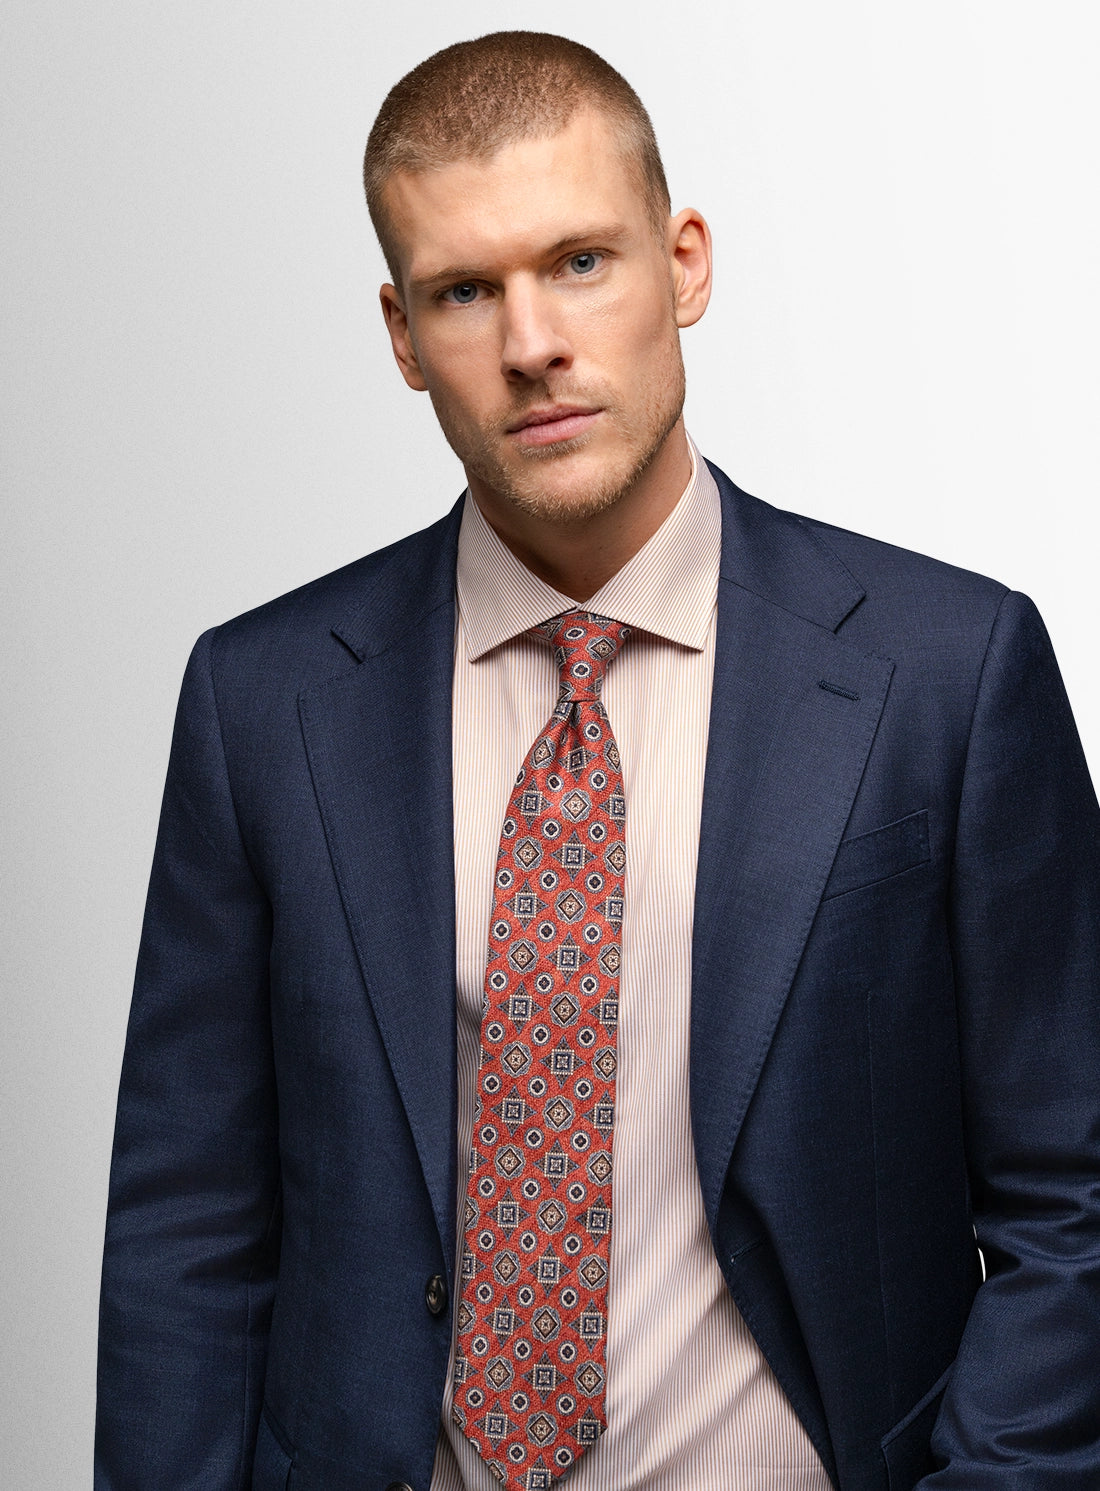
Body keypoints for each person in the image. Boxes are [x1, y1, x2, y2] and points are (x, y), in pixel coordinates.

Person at [95, 30, 1100, 1491]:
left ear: (683, 263)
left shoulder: (947, 674)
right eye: (463, 291)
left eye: (580, 262)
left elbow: (1073, 1193)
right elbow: (189, 1226)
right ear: (398, 332)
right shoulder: (264, 704)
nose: (530, 344)